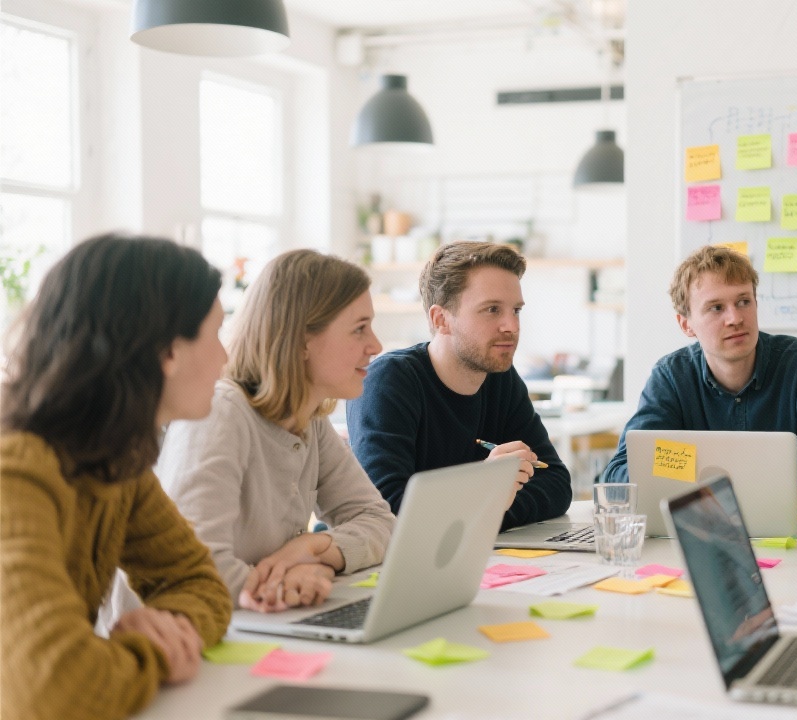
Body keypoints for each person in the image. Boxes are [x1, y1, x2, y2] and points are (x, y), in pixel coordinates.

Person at [1, 234, 232, 720]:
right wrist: (158, 653)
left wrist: (170, 624)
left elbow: (200, 583)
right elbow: (57, 690)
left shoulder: (116, 460)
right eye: (216, 334)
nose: (225, 358)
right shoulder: (16, 472)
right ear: (167, 350)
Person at [157, 249, 395, 613]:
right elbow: (192, 563)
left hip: (250, 624)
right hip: (181, 637)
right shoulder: (221, 414)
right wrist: (298, 579)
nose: (375, 346)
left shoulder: (309, 419)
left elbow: (380, 522)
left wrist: (317, 549)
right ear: (301, 340)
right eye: (359, 328)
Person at [600, 244, 797, 516]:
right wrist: (769, 495)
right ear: (686, 324)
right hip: (707, 539)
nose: (735, 318)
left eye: (743, 301)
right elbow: (620, 476)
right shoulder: (671, 377)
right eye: (716, 308)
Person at [347, 241, 571, 530]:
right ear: (441, 319)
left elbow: (555, 482)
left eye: (516, 310)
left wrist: (481, 511)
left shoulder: (500, 378)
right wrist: (483, 494)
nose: (511, 326)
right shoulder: (389, 382)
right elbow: (388, 510)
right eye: (492, 310)